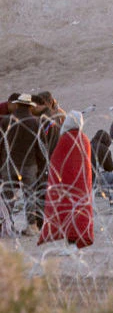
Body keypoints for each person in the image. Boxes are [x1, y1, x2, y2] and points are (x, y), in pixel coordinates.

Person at [38, 110, 94, 249]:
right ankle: (73, 245)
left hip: (66, 186)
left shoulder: (65, 139)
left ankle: (70, 245)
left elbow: (56, 162)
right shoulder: (85, 139)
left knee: (67, 213)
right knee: (78, 213)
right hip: (81, 186)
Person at [3, 93, 47, 235]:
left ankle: (4, 225)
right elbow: (41, 147)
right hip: (30, 165)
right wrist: (42, 167)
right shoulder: (35, 122)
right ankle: (31, 226)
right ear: (29, 106)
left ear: (17, 104)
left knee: (7, 196)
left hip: (9, 164)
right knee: (30, 195)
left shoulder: (6, 121)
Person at [91, 128, 113, 206]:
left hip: (84, 177)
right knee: (112, 178)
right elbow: (109, 168)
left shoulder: (88, 144)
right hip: (93, 179)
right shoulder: (104, 149)